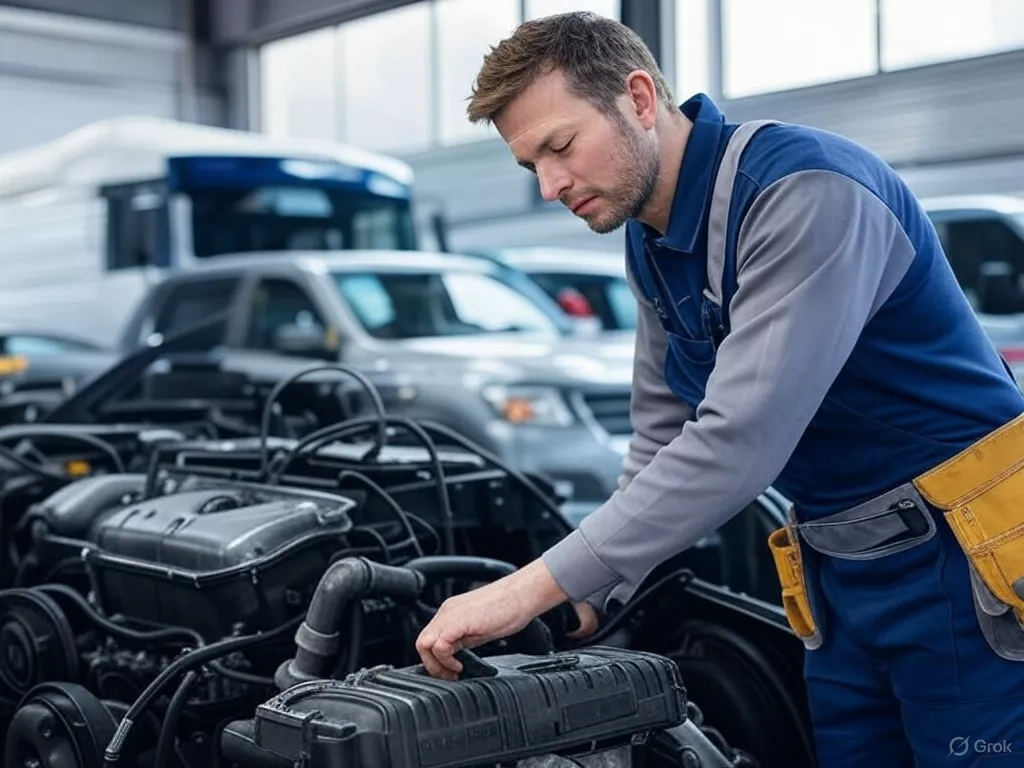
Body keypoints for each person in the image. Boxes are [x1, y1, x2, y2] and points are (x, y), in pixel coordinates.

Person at [414, 11, 1024, 766]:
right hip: (838, 581)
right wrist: (592, 591)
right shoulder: (652, 238)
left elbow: (738, 440)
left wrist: (530, 587)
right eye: (529, 165)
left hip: (970, 568)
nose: (549, 186)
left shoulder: (806, 193)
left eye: (560, 147)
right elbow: (661, 438)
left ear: (640, 99)